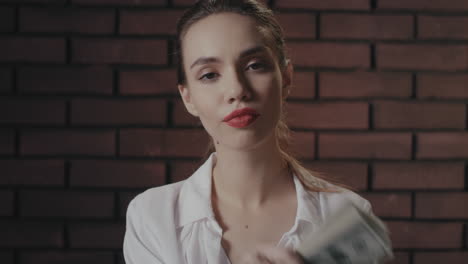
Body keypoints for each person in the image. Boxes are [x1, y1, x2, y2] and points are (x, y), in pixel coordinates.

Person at [123, 0, 373, 263]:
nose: (237, 91)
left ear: (286, 77)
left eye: (254, 65)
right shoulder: (152, 216)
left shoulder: (346, 216)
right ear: (188, 98)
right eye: (209, 75)